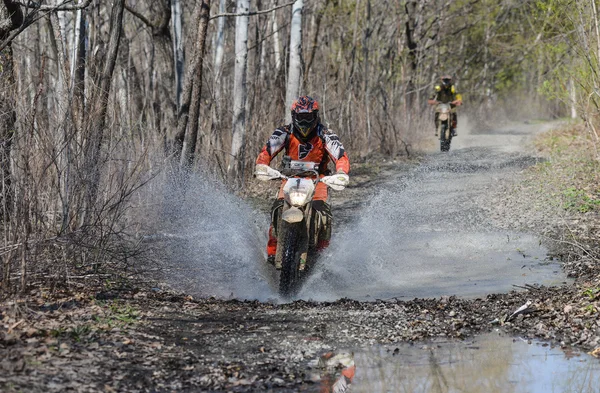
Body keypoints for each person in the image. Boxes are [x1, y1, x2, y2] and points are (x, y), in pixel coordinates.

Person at [254, 96, 350, 267]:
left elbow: (340, 156)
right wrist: (262, 165)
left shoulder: (326, 135)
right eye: (301, 117)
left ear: (315, 116)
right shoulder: (284, 132)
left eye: (308, 117)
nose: (304, 121)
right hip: (290, 179)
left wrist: (341, 172)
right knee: (278, 208)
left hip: (318, 180)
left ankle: (322, 254)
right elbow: (267, 150)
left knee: (324, 214)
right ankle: (273, 251)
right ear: (294, 116)